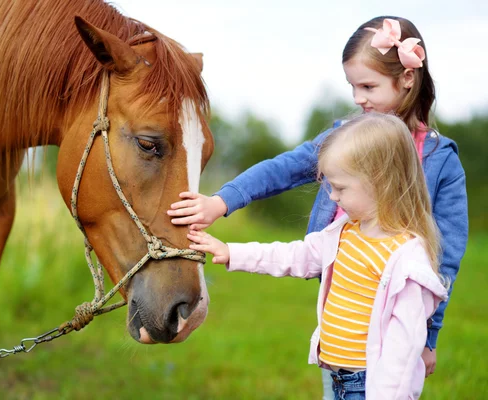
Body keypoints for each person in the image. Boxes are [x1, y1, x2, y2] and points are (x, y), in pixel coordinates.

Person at [167, 16, 468, 398]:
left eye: (368, 86)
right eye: (353, 86)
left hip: (397, 305)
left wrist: (429, 336)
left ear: (407, 78)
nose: (358, 98)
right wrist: (221, 202)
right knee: (339, 379)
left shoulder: (441, 159)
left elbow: (447, 258)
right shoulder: (343, 136)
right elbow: (284, 169)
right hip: (343, 294)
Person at [188, 113, 449, 399]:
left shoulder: (407, 261)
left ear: (380, 182)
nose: (333, 198)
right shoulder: (344, 233)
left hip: (369, 388)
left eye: (340, 188)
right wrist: (231, 253)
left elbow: (403, 352)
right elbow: (293, 256)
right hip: (339, 381)